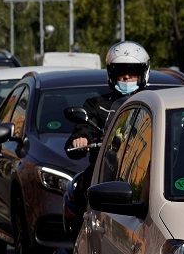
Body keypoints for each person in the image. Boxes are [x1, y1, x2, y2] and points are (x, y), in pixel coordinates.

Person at [63, 41, 150, 225]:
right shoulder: (97, 105)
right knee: (81, 188)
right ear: (111, 74)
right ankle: (82, 238)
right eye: (121, 73)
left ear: (143, 73)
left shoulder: (154, 103)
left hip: (145, 169)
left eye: (132, 72)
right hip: (105, 172)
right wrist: (81, 138)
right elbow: (84, 126)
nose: (126, 77)